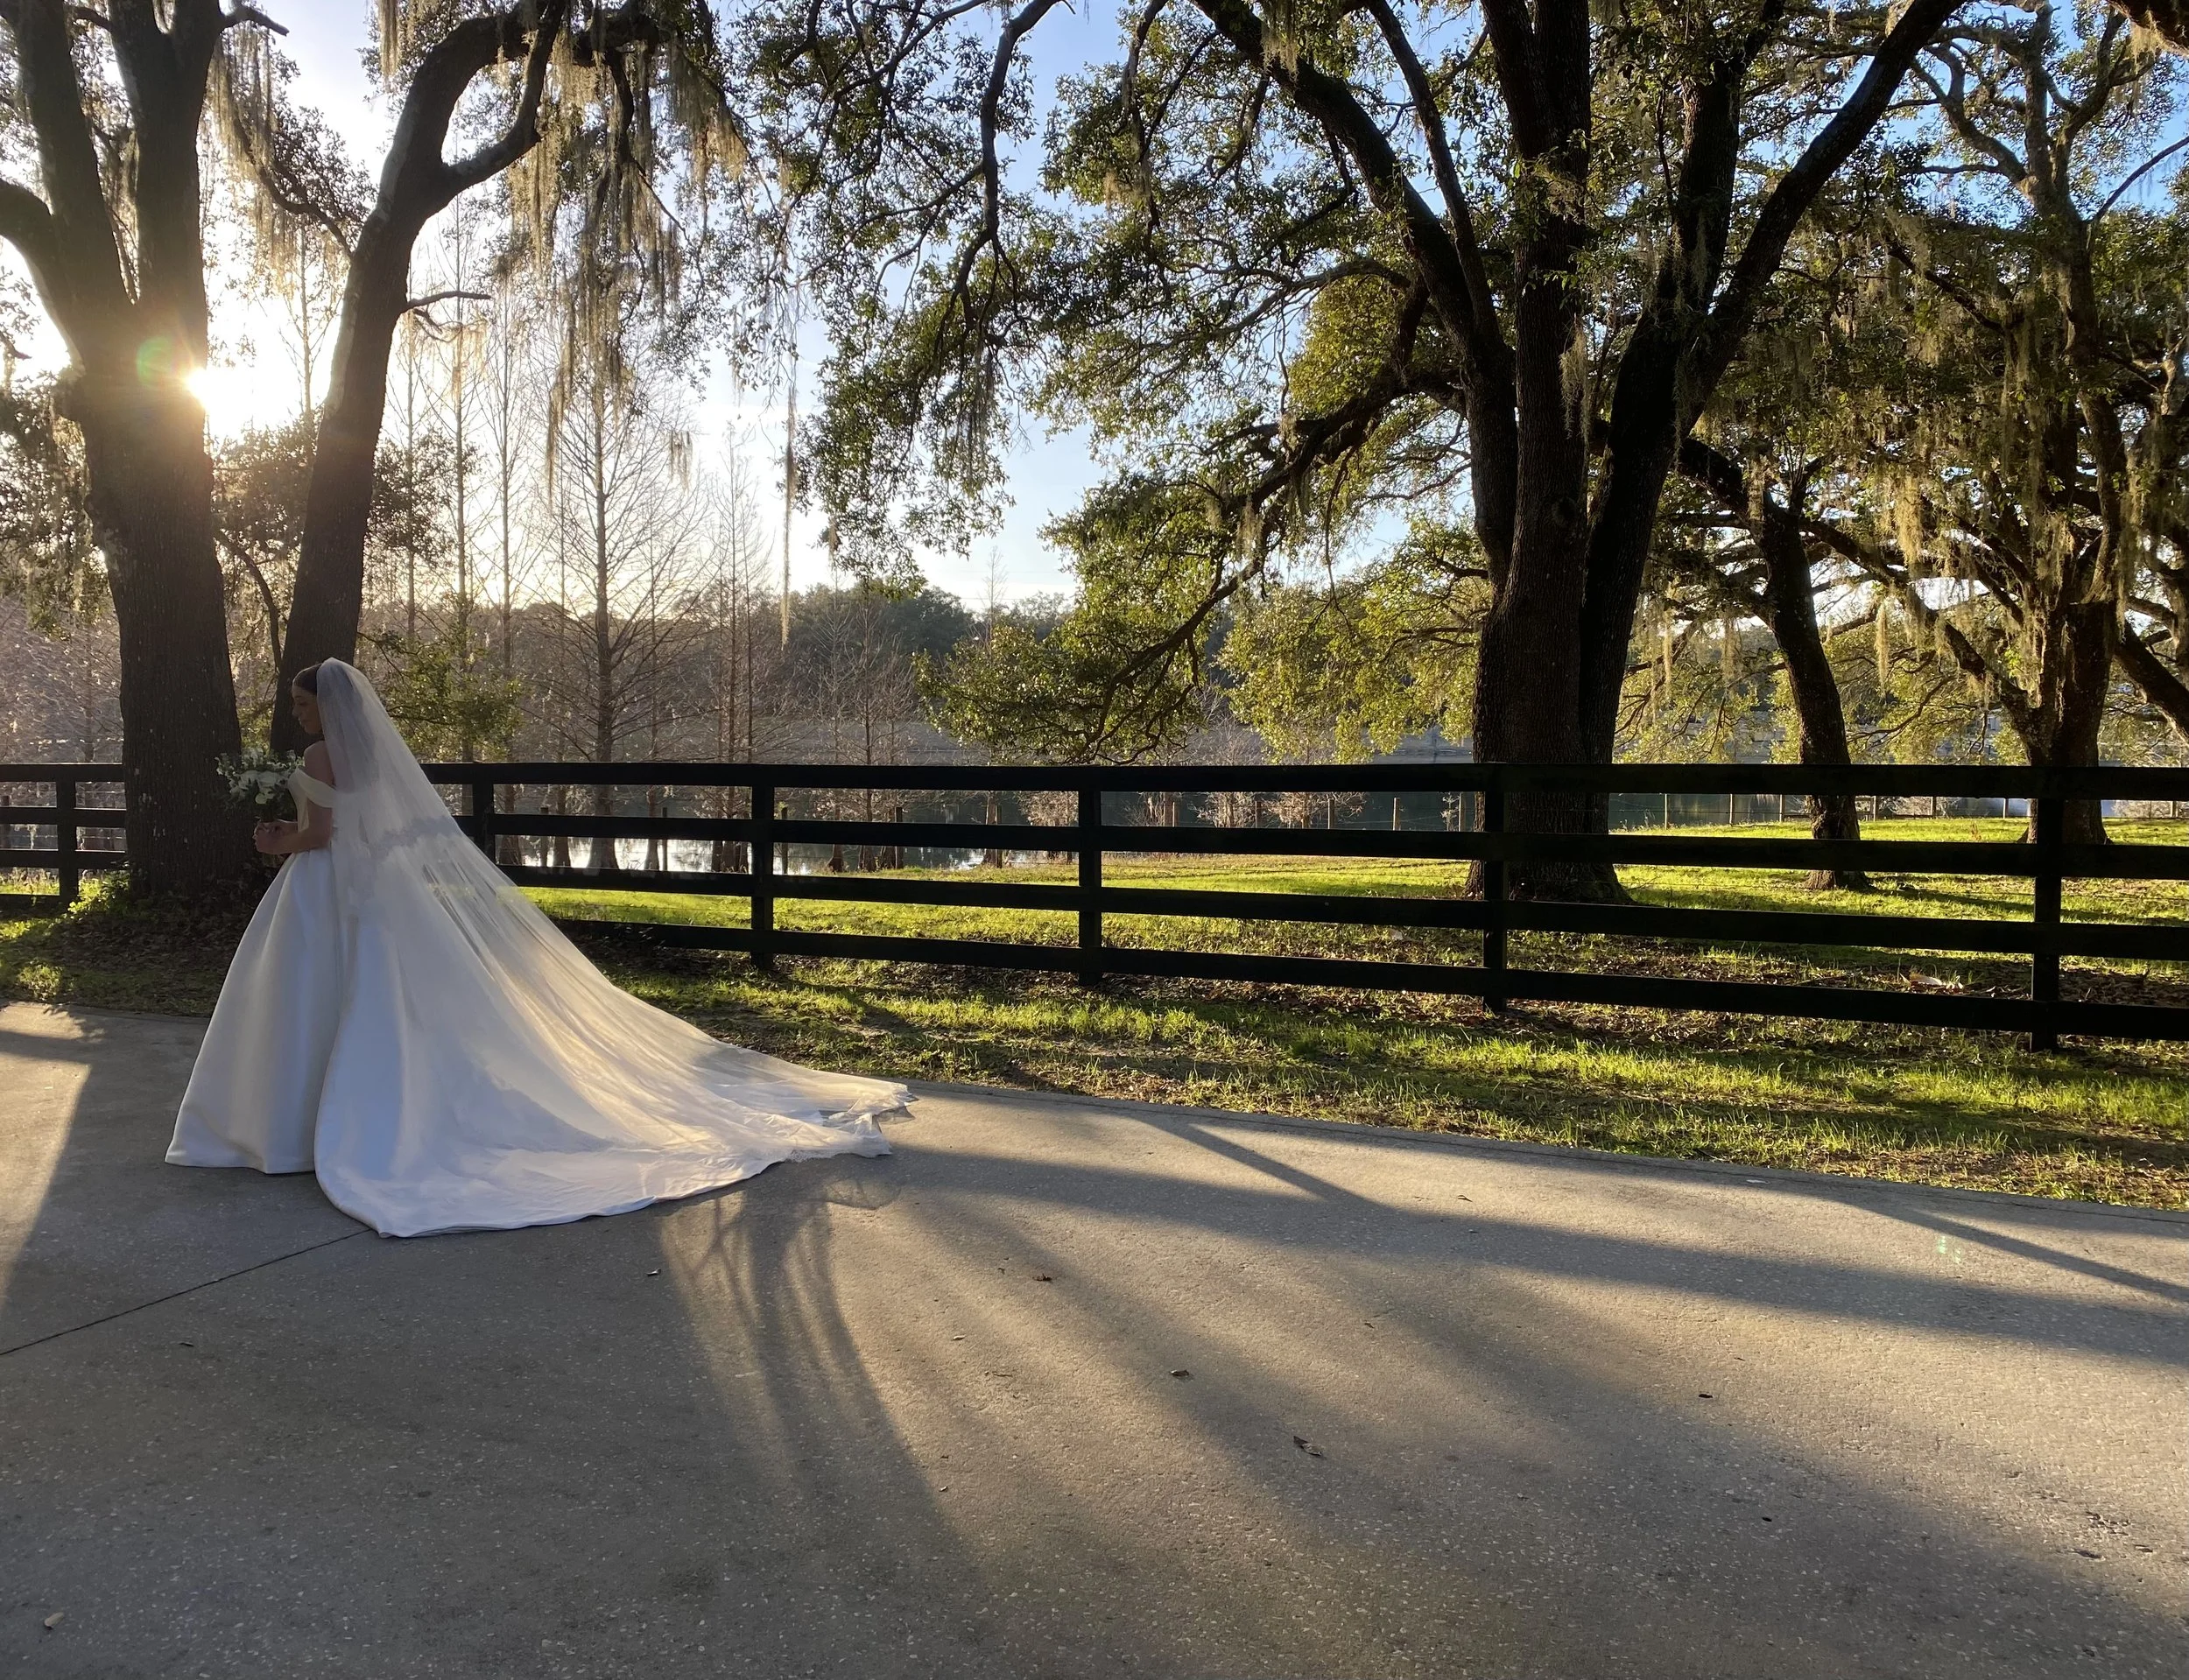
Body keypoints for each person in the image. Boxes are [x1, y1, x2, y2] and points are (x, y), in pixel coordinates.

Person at [168, 660, 906, 1237]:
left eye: (302, 704)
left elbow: (323, 835)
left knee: (307, 997)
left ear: (324, 707)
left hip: (325, 885)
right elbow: (371, 828)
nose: (297, 715)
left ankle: (287, 1128)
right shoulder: (365, 758)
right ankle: (346, 1116)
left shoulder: (321, 752)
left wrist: (276, 840)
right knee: (375, 1003)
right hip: (369, 887)